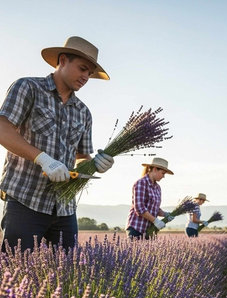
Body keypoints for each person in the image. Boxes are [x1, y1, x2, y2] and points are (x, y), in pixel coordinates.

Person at [0, 36, 114, 252]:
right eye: (82, 69)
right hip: (25, 200)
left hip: (64, 209)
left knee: (67, 275)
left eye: (89, 73)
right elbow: (2, 129)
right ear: (62, 60)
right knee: (14, 273)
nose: (86, 77)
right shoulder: (29, 87)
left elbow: (82, 158)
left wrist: (96, 164)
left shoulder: (83, 112)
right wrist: (42, 159)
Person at [126, 157, 174, 239]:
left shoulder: (157, 187)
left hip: (149, 230)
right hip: (137, 228)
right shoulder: (141, 183)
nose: (163, 176)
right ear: (155, 169)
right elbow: (139, 208)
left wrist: (165, 214)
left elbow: (154, 208)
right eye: (163, 173)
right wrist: (155, 221)